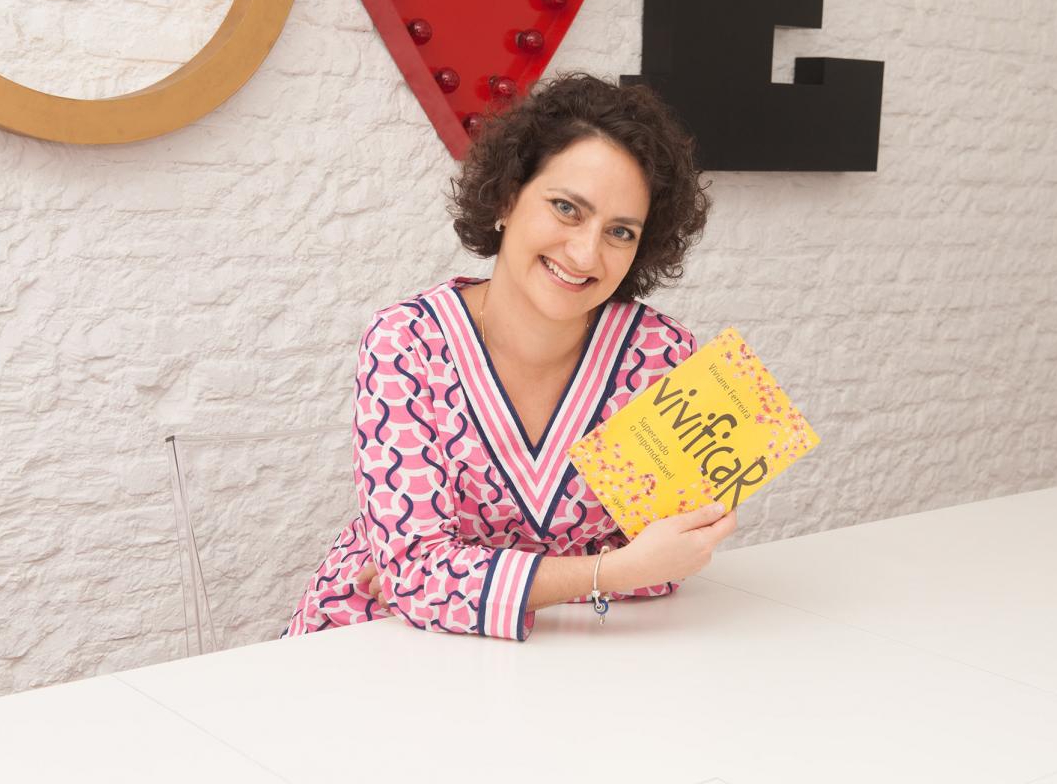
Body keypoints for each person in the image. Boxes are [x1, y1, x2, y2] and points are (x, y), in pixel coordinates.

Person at [283, 71, 737, 642]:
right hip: (378, 635)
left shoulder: (662, 356)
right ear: (507, 197)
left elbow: (664, 566)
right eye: (567, 208)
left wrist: (459, 575)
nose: (585, 253)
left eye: (621, 232)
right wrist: (605, 569)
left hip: (577, 651)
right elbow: (417, 580)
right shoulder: (406, 342)